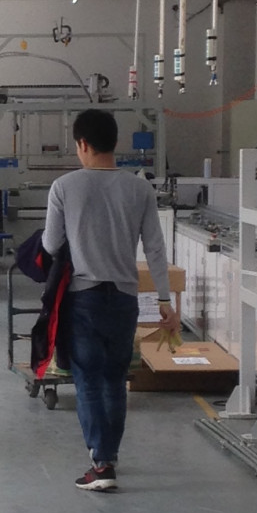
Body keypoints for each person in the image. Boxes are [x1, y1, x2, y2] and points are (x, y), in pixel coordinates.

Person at [40, 107, 178, 491]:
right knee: (115, 379)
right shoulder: (140, 189)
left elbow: (50, 244)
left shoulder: (64, 187)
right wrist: (164, 300)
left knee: (87, 379)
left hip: (82, 297)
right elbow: (155, 248)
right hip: (124, 298)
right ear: (115, 142)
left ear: (83, 144)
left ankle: (100, 465)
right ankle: (109, 457)